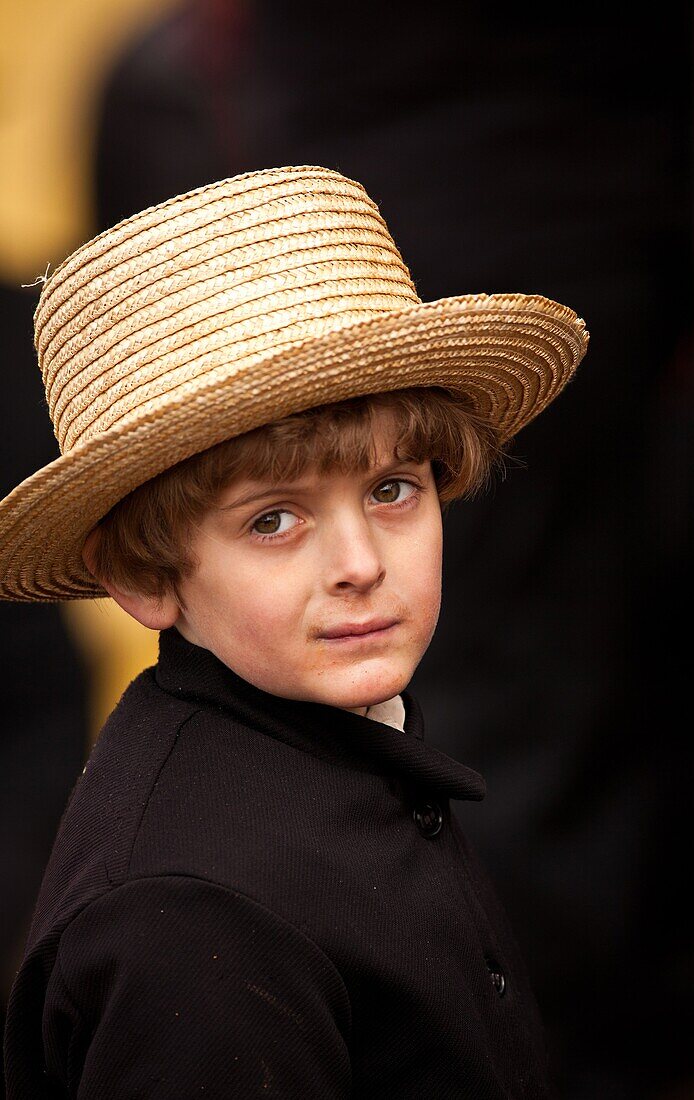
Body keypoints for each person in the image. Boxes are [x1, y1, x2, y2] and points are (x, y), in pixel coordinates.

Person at [0, 165, 588, 1097]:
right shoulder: (192, 927)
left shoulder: (335, 740)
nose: (360, 561)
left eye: (393, 489)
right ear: (147, 577)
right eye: (273, 520)